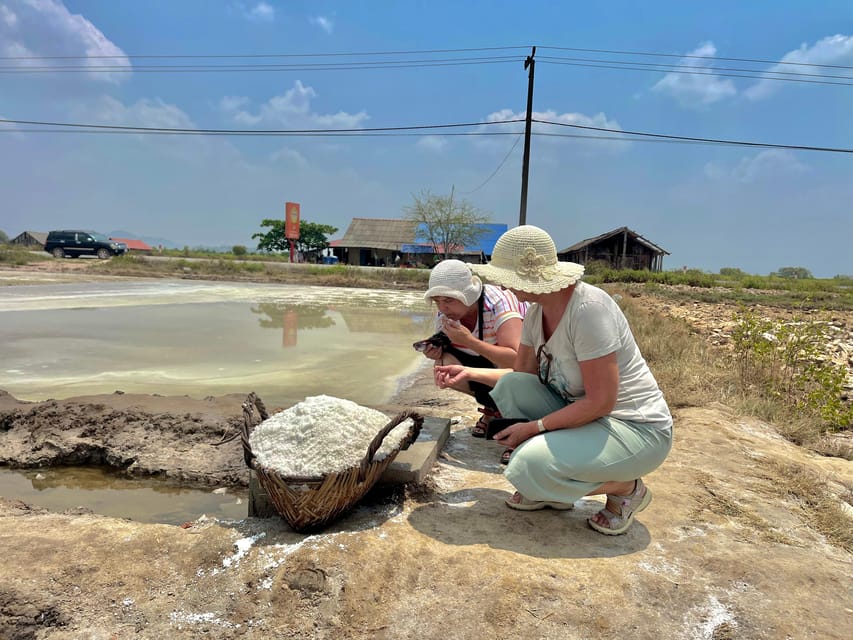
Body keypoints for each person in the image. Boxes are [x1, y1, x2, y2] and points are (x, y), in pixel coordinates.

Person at [434, 226, 672, 535]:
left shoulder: (589, 311)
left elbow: (602, 401)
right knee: (510, 387)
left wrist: (533, 429)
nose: (501, 285)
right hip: (586, 415)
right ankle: (554, 492)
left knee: (525, 468)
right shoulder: (536, 313)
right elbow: (521, 374)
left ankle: (626, 488)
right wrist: (469, 373)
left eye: (505, 277)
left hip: (635, 428)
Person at [418, 259, 527, 445]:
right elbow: (450, 352)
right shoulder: (446, 316)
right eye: (437, 301)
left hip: (525, 368)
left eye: (448, 300)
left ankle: (512, 410)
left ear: (469, 295)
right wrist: (436, 353)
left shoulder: (499, 302)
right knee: (444, 365)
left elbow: (517, 361)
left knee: (507, 368)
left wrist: (469, 341)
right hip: (488, 362)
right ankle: (493, 407)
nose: (442, 308)